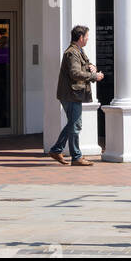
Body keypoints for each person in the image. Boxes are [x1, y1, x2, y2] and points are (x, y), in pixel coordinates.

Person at [47, 25, 104, 167]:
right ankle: (76, 157)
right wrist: (94, 76)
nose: (88, 39)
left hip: (72, 94)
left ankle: (57, 150)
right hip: (71, 94)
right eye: (86, 37)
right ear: (80, 37)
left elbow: (82, 66)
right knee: (75, 125)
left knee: (73, 124)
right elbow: (74, 73)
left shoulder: (78, 51)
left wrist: (91, 66)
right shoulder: (72, 52)